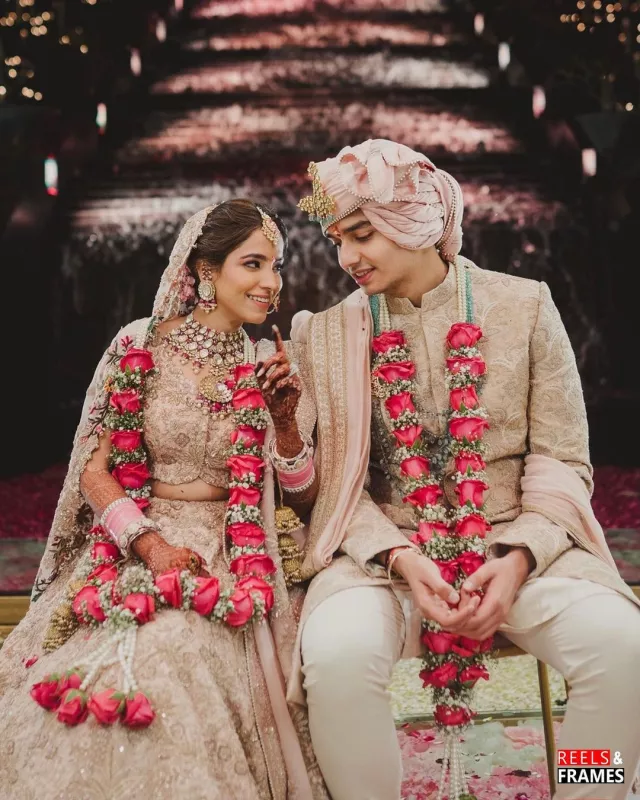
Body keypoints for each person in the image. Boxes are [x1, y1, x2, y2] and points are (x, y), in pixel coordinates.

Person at [279, 139, 640, 800]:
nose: (347, 257)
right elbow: (334, 487)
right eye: (337, 238)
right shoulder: (325, 333)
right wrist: (401, 559)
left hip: (521, 550)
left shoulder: (525, 307)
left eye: (363, 235)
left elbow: (563, 459)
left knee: (625, 647)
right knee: (334, 657)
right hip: (384, 560)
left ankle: (594, 795)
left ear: (415, 221)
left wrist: (518, 558)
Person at [0, 200, 327, 800]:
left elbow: (304, 496)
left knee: (175, 651)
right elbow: (96, 473)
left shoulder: (272, 364)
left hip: (232, 549)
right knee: (89, 670)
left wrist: (283, 424)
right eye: (253, 264)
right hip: (135, 542)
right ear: (205, 271)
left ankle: (569, 776)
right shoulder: (141, 346)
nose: (271, 282)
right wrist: (147, 544)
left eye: (276, 267)